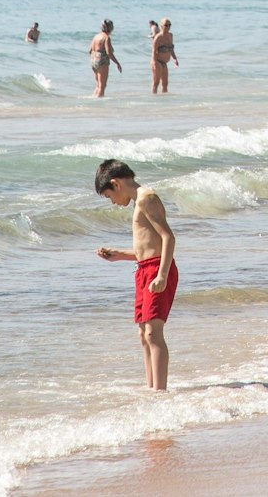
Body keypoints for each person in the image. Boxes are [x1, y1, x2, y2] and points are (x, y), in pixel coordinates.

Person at [94, 159, 179, 390]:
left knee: (153, 333)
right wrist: (119, 255)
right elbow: (146, 249)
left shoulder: (146, 198)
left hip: (157, 269)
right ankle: (151, 388)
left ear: (116, 183)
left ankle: (160, 391)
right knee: (143, 334)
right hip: (144, 269)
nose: (112, 202)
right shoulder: (137, 202)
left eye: (109, 196)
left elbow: (168, 238)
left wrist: (161, 275)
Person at [88, 20, 122, 98]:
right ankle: (99, 103)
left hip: (93, 59)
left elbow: (90, 51)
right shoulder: (106, 38)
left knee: (98, 85)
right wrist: (117, 63)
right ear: (111, 28)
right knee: (102, 86)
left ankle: (93, 99)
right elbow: (109, 53)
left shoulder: (96, 36)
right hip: (102, 60)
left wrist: (94, 59)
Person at [151, 18, 180, 95]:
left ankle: (165, 102)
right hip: (157, 62)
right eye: (166, 25)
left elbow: (171, 49)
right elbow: (153, 51)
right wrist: (154, 63)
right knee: (156, 82)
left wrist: (175, 59)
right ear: (161, 26)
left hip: (164, 63)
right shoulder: (158, 37)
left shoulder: (170, 35)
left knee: (165, 83)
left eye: (169, 25)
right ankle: (154, 98)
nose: (168, 27)